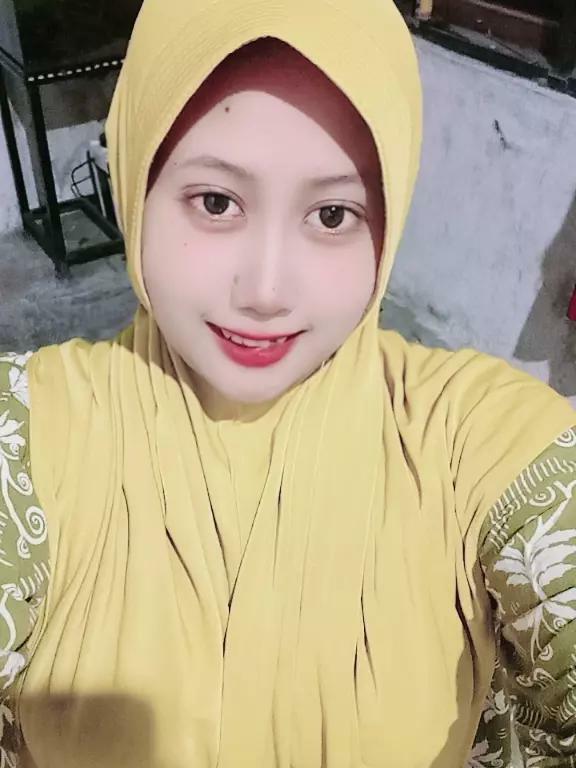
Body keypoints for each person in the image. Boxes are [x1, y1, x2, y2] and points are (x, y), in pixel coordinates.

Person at [0, 0, 574, 765]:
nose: (267, 291)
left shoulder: (470, 440)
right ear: (136, 187)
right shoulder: (34, 437)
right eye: (216, 202)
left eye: (332, 215)